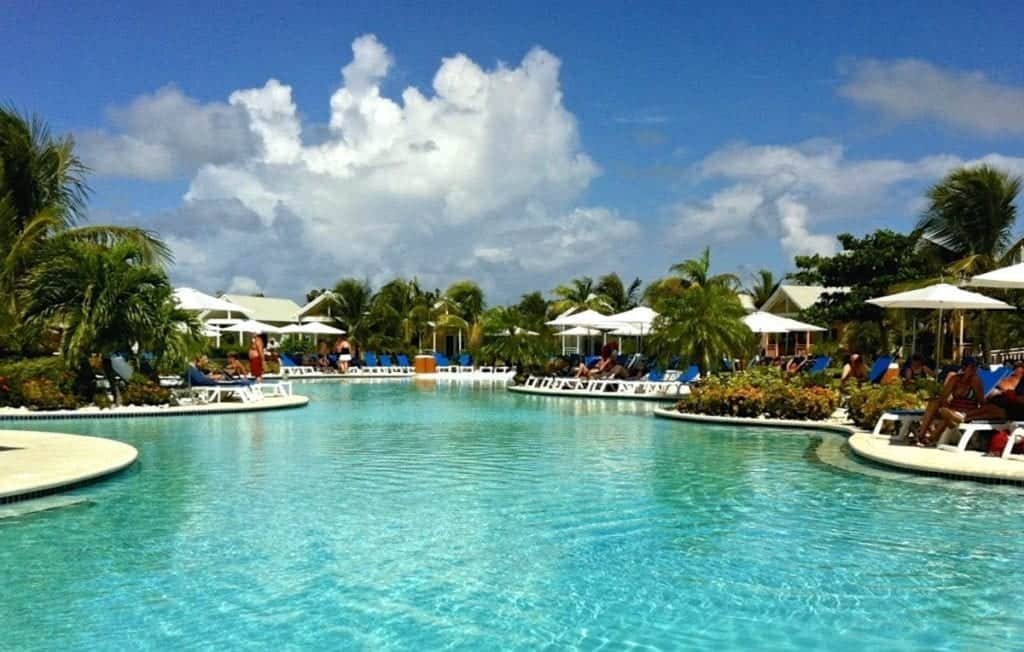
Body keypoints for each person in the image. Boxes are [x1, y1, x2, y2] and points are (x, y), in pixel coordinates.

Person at [916, 357, 983, 447]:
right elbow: (943, 397)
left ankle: (931, 439)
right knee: (934, 402)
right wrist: (945, 406)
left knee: (947, 415)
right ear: (964, 368)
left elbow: (981, 401)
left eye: (975, 367)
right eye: (972, 367)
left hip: (964, 414)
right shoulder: (955, 379)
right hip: (951, 410)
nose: (975, 369)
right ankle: (921, 436)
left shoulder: (975, 380)